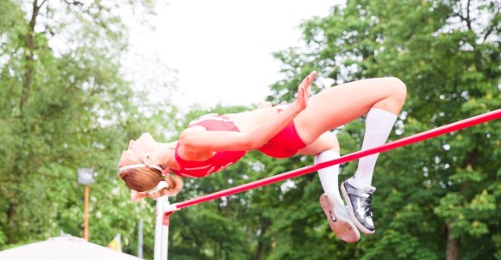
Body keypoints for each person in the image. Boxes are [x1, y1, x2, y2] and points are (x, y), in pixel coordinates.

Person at [118, 72, 407, 243]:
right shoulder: (188, 143)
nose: (128, 143)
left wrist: (141, 186)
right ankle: (360, 184)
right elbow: (249, 139)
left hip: (277, 137)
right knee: (393, 89)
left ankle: (334, 197)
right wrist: (295, 108)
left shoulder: (181, 163)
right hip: (288, 125)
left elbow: (242, 138)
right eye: (127, 152)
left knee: (329, 144)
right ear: (146, 157)